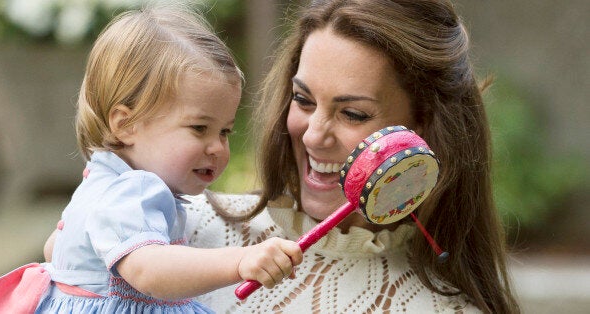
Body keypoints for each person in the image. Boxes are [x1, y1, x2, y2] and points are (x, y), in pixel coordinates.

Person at [184, 0, 520, 313]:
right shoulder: (177, 229)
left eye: (353, 114)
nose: (313, 135)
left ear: (423, 128)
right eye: (303, 99)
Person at [0, 4, 302, 313]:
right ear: (126, 124)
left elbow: (56, 249)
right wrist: (239, 261)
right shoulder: (133, 190)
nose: (216, 147)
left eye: (225, 132)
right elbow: (149, 271)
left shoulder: (103, 181)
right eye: (199, 128)